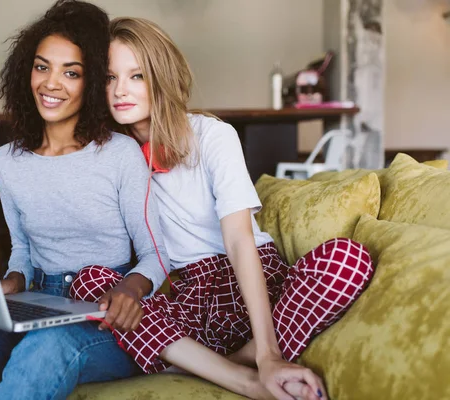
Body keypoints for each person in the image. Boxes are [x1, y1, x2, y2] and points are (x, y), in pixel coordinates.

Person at [70, 17, 374, 400]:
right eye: (110, 78)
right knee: (87, 281)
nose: (120, 91)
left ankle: (230, 360)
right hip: (191, 297)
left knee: (347, 258)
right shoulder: (114, 156)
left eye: (137, 76)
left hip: (253, 280)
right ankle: (241, 378)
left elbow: (239, 240)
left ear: (161, 77)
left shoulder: (213, 136)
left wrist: (268, 354)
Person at [0, 4, 169, 399]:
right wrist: (13, 280)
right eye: (42, 67)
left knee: (45, 350)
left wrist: (130, 289)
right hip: (39, 301)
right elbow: (21, 248)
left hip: (105, 315)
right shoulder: (8, 162)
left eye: (70, 72)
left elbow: (156, 255)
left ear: (91, 83)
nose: (51, 83)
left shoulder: (120, 155)